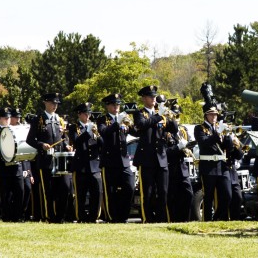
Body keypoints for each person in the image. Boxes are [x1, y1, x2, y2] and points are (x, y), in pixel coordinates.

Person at [132, 85, 178, 223]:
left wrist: (170, 116)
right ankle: (147, 219)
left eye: (154, 97)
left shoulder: (161, 113)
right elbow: (142, 125)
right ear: (144, 98)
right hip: (146, 158)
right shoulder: (139, 113)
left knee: (163, 192)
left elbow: (174, 129)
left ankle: (161, 219)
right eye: (151, 97)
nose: (153, 99)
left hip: (161, 157)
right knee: (148, 192)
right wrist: (158, 116)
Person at [26, 93, 72, 223]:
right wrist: (41, 145)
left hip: (60, 160)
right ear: (45, 103)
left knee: (64, 188)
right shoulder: (38, 119)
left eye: (56, 104)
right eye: (52, 103)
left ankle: (60, 216)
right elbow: (30, 139)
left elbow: (63, 138)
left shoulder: (60, 119)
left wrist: (67, 145)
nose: (54, 106)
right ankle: (49, 216)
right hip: (46, 160)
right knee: (48, 190)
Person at [97, 93, 135, 223]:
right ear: (108, 106)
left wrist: (132, 121)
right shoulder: (102, 120)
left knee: (130, 187)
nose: (116, 107)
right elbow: (104, 133)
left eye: (118, 104)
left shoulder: (124, 119)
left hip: (124, 161)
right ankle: (112, 218)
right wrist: (117, 123)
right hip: (109, 161)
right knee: (110, 192)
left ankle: (123, 216)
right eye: (114, 104)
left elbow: (135, 131)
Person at [0, 107, 25, 222]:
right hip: (3, 166)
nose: (8, 119)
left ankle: (17, 215)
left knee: (20, 191)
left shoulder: (15, 129)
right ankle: (7, 216)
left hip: (16, 166)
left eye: (9, 117)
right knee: (6, 193)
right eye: (5, 117)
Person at [194, 104, 232, 221]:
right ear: (206, 115)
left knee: (227, 195)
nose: (214, 117)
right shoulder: (199, 128)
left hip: (221, 165)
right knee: (208, 197)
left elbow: (228, 147)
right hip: (208, 166)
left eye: (215, 114)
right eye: (211, 114)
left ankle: (217, 218)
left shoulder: (219, 128)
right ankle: (207, 221)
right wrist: (217, 133)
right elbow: (204, 142)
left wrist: (228, 136)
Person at [68, 102, 104, 223]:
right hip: (80, 166)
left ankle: (93, 217)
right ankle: (81, 217)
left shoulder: (94, 127)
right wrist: (87, 132)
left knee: (97, 193)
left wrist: (97, 135)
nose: (88, 116)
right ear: (79, 114)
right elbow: (76, 142)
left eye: (89, 113)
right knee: (80, 194)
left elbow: (102, 144)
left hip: (94, 165)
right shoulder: (74, 127)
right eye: (85, 113)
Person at [165, 105, 194, 222]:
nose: (177, 119)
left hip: (182, 167)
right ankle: (173, 220)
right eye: (174, 116)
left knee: (188, 194)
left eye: (178, 116)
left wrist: (188, 148)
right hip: (170, 168)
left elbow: (189, 144)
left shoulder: (183, 130)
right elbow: (164, 152)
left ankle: (185, 220)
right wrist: (178, 148)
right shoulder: (165, 131)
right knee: (172, 197)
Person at [10, 107, 34, 221]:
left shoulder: (23, 129)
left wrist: (29, 171)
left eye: (19, 117)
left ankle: (23, 212)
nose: (18, 119)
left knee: (27, 188)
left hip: (24, 163)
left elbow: (26, 150)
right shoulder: (7, 130)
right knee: (15, 191)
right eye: (15, 117)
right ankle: (14, 213)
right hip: (13, 164)